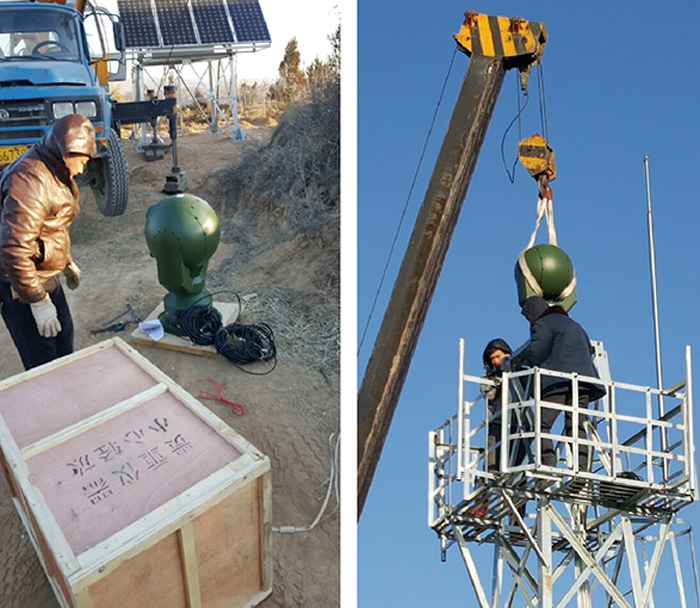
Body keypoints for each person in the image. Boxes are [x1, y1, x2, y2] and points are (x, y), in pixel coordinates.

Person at [0, 114, 95, 370]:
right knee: (43, 364)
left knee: (63, 344)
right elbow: (13, 249)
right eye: (81, 161)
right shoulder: (31, 180)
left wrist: (66, 261)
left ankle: (66, 393)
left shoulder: (56, 170)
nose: (82, 169)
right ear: (66, 151)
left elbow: (52, 226)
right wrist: (37, 301)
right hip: (21, 284)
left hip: (45, 275)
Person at [511, 296, 606, 472]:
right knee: (576, 426)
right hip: (584, 383)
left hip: (557, 382)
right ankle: (582, 469)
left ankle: (548, 463)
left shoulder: (543, 324)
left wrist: (520, 362)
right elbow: (588, 350)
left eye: (528, 316)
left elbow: (537, 353)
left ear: (533, 312)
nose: (529, 320)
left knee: (540, 424)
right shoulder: (576, 326)